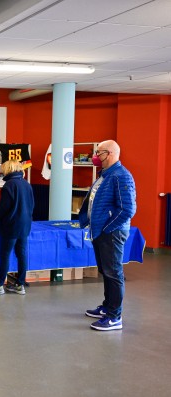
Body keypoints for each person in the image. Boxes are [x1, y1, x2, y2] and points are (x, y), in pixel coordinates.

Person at [79, 140, 136, 331]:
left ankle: (114, 316)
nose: (95, 156)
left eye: (99, 152)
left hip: (111, 233)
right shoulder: (105, 175)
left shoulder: (121, 176)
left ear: (109, 153)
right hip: (100, 232)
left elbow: (128, 209)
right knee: (106, 271)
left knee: (114, 273)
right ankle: (107, 307)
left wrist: (107, 228)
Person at [0, 159, 34, 295]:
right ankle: (20, 284)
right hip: (25, 225)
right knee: (21, 254)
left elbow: (4, 208)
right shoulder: (27, 185)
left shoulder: (9, 185)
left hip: (11, 226)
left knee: (5, 255)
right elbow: (32, 205)